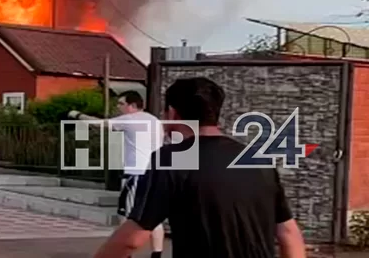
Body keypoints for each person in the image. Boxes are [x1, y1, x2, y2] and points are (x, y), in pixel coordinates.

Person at [94, 77, 306, 258]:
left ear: (172, 113)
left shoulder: (173, 158)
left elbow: (133, 238)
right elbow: (288, 233)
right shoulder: (258, 158)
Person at [112, 91, 165, 258]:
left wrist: (76, 115)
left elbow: (100, 124)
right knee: (155, 216)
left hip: (136, 174)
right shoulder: (155, 121)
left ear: (132, 106)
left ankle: (125, 254)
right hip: (155, 172)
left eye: (121, 104)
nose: (118, 107)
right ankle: (157, 254)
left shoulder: (130, 119)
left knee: (126, 215)